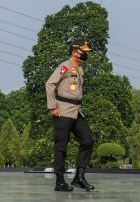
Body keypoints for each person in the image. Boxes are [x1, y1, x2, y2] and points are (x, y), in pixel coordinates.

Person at [45, 40, 95, 192]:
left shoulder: (79, 69)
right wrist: (52, 106)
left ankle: (79, 177)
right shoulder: (65, 66)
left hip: (77, 111)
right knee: (61, 146)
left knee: (88, 140)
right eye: (82, 51)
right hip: (63, 111)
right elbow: (49, 84)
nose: (85, 54)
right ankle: (60, 181)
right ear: (74, 52)